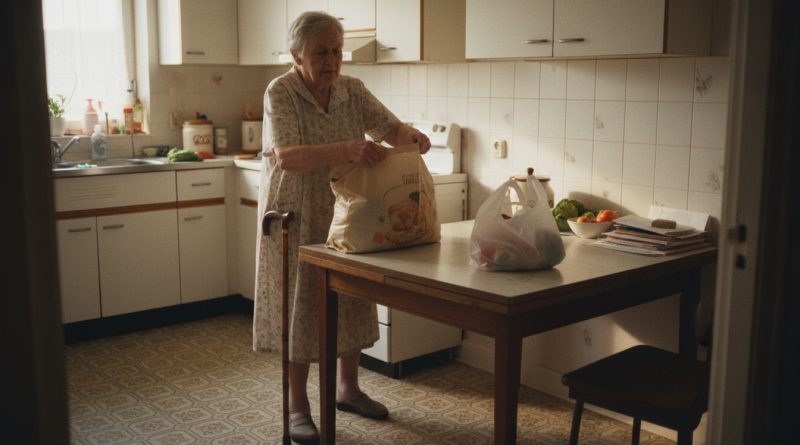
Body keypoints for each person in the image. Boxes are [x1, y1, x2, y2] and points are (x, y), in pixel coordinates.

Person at [253, 11, 431, 445]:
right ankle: (298, 407)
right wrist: (348, 148)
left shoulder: (353, 91)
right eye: (321, 52)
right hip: (296, 212)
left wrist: (414, 138)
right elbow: (288, 157)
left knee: (349, 296)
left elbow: (391, 129)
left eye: (337, 50)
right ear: (297, 55)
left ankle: (348, 389)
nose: (332, 60)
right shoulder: (282, 91)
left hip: (347, 210)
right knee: (301, 305)